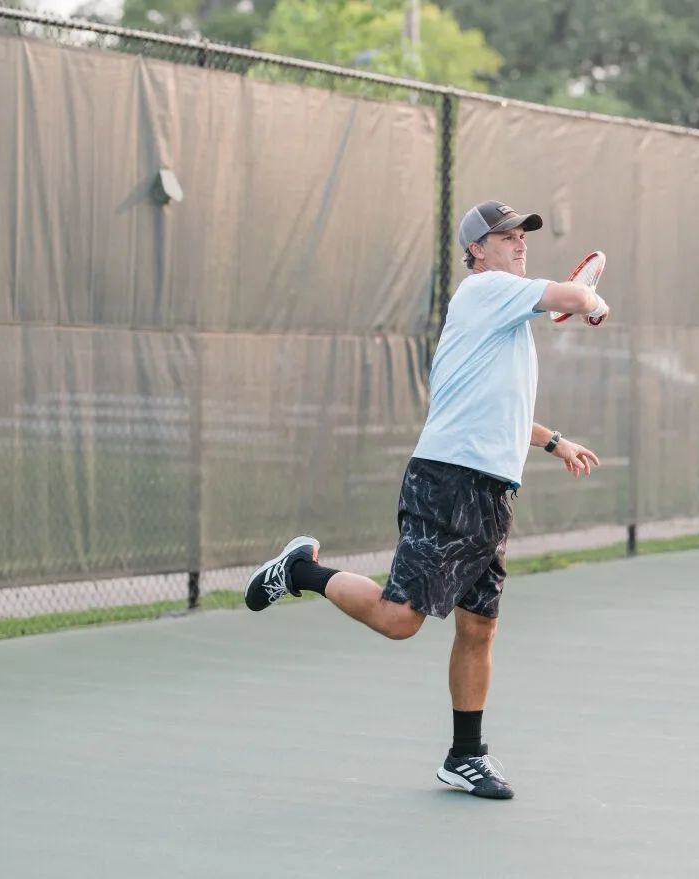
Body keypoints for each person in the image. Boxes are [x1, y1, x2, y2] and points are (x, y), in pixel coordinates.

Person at [243, 200, 610, 800]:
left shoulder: (509, 315)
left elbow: (499, 407)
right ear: (475, 252)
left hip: (490, 491)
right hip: (449, 482)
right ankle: (299, 568)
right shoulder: (486, 292)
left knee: (479, 628)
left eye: (522, 236)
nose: (519, 244)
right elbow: (572, 298)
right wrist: (590, 300)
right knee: (400, 620)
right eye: (505, 236)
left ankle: (465, 757)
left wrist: (555, 442)